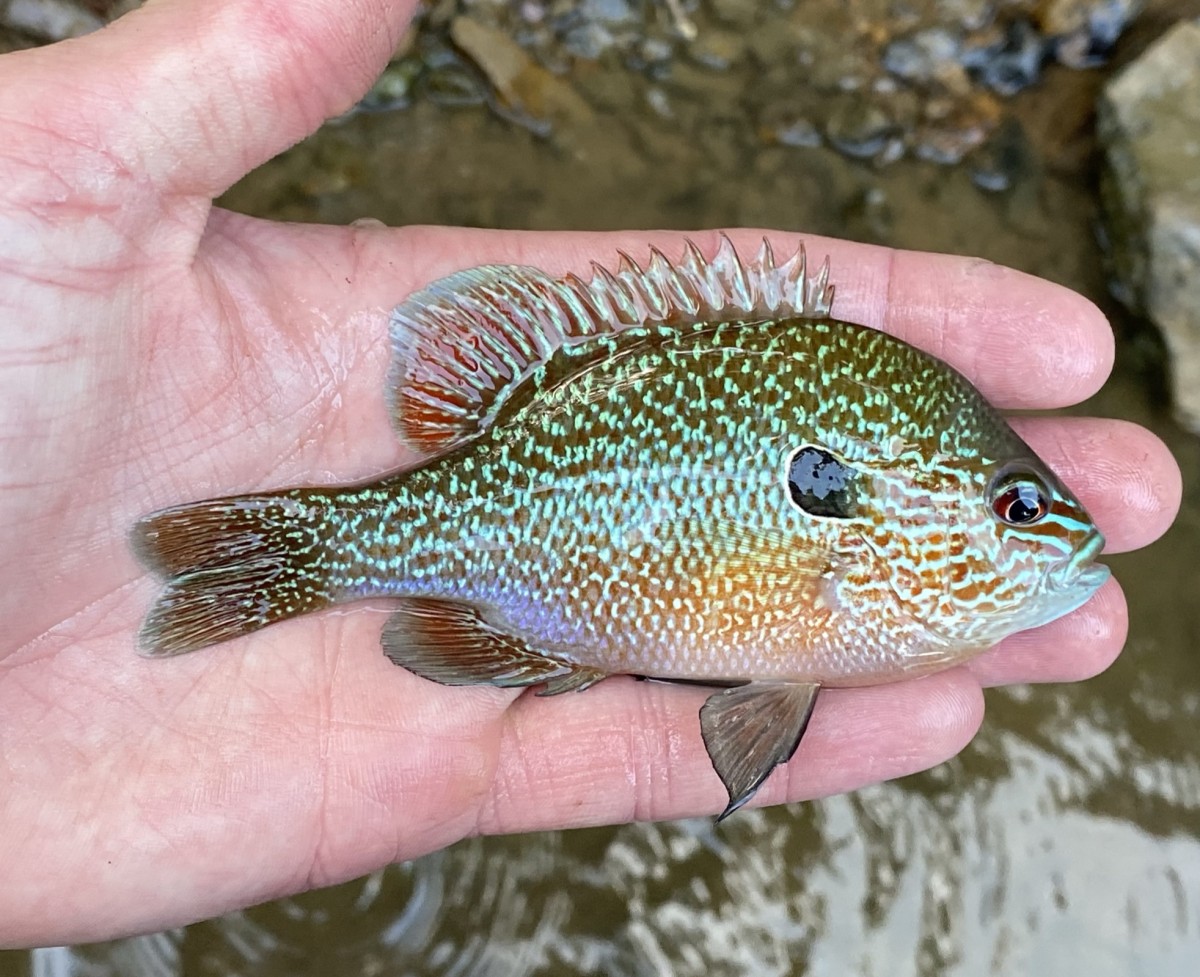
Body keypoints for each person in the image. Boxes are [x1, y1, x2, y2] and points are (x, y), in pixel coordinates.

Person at [0, 0, 1180, 951]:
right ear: (895, 505)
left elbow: (768, 681)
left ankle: (275, 561)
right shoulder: (860, 568)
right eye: (1015, 505)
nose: (1053, 538)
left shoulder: (871, 569)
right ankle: (300, 553)